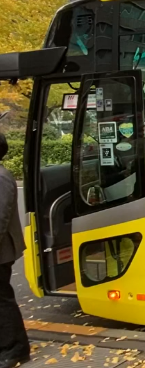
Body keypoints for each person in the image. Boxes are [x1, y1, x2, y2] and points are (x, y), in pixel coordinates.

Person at [0, 133, 29, 368]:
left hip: (1, 251)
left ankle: (16, 349)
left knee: (2, 300)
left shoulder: (1, 177)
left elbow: (0, 217)